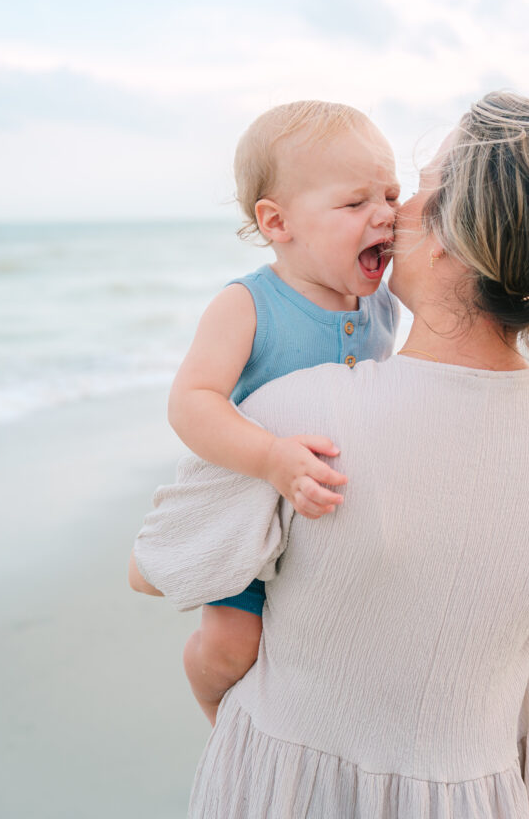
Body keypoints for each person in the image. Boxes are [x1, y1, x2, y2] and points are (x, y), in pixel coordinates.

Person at [131, 92, 529, 819]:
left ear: (450, 237)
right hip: (481, 793)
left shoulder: (303, 419)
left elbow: (156, 567)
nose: (393, 210)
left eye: (416, 186)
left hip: (292, 792)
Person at [166, 100, 401, 722]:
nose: (384, 214)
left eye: (392, 195)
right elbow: (191, 403)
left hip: (327, 511)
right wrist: (269, 458)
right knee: (232, 648)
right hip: (253, 502)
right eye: (355, 203)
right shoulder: (248, 304)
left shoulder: (382, 305)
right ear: (277, 222)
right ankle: (215, 703)